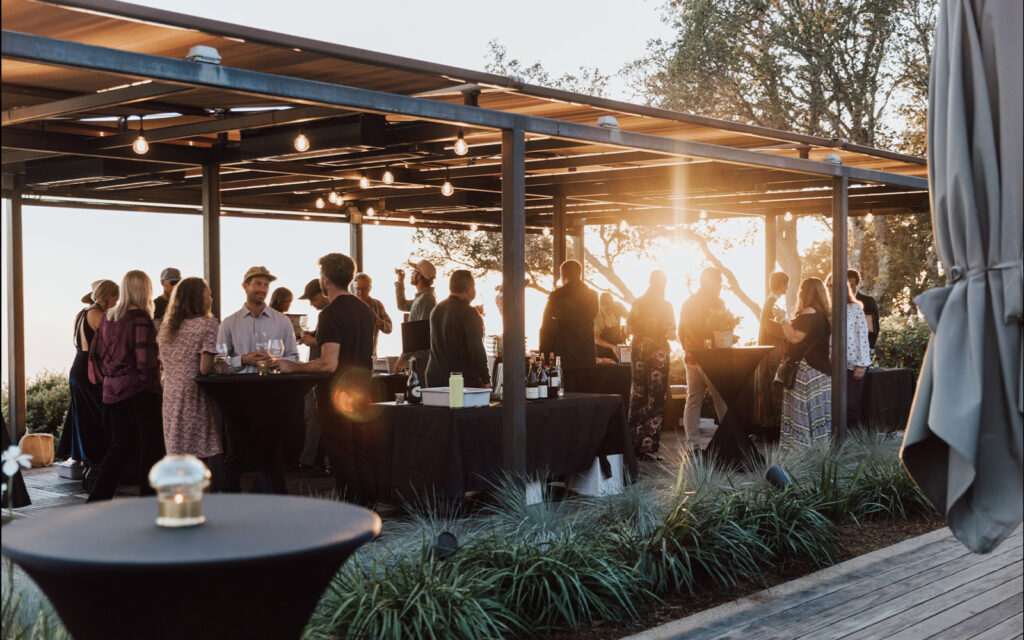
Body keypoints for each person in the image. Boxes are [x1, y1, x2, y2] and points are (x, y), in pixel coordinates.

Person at [87, 270, 164, 501]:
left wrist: (110, 379)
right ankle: (149, 499)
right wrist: (154, 387)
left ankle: (98, 497)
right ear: (145, 291)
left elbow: (97, 354)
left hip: (112, 391)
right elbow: (145, 361)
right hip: (139, 391)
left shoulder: (108, 318)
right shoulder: (141, 318)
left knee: (119, 447)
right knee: (151, 447)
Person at [157, 277, 224, 488]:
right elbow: (205, 367)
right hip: (195, 394)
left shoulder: (167, 328)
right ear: (199, 297)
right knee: (201, 456)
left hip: (171, 393)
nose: (211, 297)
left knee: (178, 453)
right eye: (208, 293)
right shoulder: (208, 324)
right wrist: (223, 366)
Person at [278, 253, 375, 376]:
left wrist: (292, 366)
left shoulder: (330, 313)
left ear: (325, 279)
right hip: (363, 389)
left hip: (337, 392)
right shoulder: (365, 310)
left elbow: (328, 365)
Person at [63, 279, 119, 487]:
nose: (117, 301)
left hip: (79, 367)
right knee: (97, 418)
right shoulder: (97, 314)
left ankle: (91, 466)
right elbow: (112, 342)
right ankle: (96, 468)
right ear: (108, 296)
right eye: (115, 297)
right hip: (89, 371)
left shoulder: (83, 313)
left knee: (87, 418)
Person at [678, 268, 729, 449]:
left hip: (692, 356)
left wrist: (687, 349)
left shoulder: (688, 303)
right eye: (719, 281)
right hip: (711, 358)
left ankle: (692, 442)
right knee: (720, 398)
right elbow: (720, 330)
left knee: (693, 399)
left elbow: (680, 332)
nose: (721, 285)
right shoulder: (717, 303)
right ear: (710, 282)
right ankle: (729, 438)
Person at [627, 271, 676, 458]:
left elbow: (629, 327)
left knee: (638, 395)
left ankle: (632, 443)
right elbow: (670, 332)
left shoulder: (638, 303)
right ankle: (648, 447)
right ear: (663, 284)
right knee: (655, 398)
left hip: (638, 350)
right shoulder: (666, 306)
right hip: (657, 353)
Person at [780, 278, 833, 448]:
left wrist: (782, 319)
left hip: (806, 370)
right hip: (822, 371)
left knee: (800, 415)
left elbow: (795, 337)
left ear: (805, 292)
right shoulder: (822, 315)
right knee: (819, 415)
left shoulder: (808, 313)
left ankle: (800, 454)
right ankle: (819, 451)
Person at [217, 266, 298, 373]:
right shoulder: (228, 323)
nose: (263, 289)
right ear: (245, 286)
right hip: (240, 388)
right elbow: (218, 364)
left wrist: (276, 361)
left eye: (266, 285)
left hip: (276, 386)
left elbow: (294, 358)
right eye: (258, 283)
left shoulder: (283, 321)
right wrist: (243, 360)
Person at [423, 270, 490, 387]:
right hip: (460, 381)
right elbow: (476, 349)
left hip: (434, 379)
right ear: (469, 288)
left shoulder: (436, 310)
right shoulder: (469, 312)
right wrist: (486, 380)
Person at [827, 274, 872, 429]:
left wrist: (862, 364)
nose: (832, 289)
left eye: (836, 286)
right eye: (830, 286)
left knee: (851, 406)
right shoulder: (827, 310)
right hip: (831, 366)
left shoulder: (855, 308)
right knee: (834, 407)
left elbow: (863, 336)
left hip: (853, 365)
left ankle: (854, 445)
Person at [296, 278, 331, 472]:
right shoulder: (328, 314)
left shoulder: (328, 314)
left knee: (313, 417)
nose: (311, 304)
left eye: (312, 299)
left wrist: (311, 340)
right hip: (318, 372)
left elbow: (327, 343)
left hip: (320, 372)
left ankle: (310, 462)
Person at [539, 260, 599, 368]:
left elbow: (546, 327)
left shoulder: (556, 296)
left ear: (563, 275)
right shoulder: (593, 296)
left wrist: (544, 354)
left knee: (563, 383)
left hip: (563, 353)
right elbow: (592, 316)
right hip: (586, 353)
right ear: (580, 274)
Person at [755, 271, 790, 436]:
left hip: (771, 350)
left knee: (770, 387)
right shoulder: (772, 302)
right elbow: (770, 327)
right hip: (771, 352)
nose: (787, 288)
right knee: (771, 387)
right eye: (786, 284)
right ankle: (770, 428)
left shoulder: (772, 301)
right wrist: (788, 332)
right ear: (782, 284)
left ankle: (770, 426)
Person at [395, 259, 437, 380]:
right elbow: (402, 305)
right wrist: (400, 281)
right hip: (418, 357)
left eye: (414, 272)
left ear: (419, 276)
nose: (411, 274)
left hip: (422, 358)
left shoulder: (426, 299)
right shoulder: (422, 297)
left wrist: (403, 358)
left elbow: (419, 333)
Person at [353, 273, 393, 358]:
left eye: (364, 289)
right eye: (358, 289)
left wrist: (377, 320)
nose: (360, 293)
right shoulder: (348, 306)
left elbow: (389, 329)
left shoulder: (377, 305)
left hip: (370, 357)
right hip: (350, 358)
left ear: (370, 288)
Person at [848, 269, 880, 348]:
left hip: (862, 349)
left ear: (857, 284)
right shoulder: (837, 303)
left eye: (852, 285)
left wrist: (867, 348)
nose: (849, 289)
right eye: (847, 286)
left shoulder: (868, 302)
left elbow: (871, 329)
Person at [595, 292, 628, 361]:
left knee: (626, 363)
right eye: (606, 309)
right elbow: (595, 339)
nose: (609, 309)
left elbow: (630, 318)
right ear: (601, 306)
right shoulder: (598, 317)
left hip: (618, 344)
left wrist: (627, 328)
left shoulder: (618, 307)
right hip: (603, 349)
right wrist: (612, 347)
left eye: (611, 306)